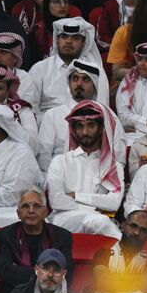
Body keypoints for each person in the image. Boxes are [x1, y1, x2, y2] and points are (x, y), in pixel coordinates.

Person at [45, 101, 124, 238]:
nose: (85, 132)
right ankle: (126, 253)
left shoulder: (113, 167)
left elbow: (114, 204)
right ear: (74, 130)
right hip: (63, 221)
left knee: (100, 222)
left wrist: (76, 195)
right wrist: (95, 207)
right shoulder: (60, 161)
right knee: (100, 221)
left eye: (91, 126)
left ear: (101, 129)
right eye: (80, 126)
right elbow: (57, 201)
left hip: (101, 221)